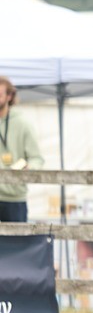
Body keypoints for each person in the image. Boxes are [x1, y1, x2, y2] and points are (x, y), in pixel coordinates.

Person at [0, 76, 44, 222]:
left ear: (9, 96)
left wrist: (29, 168)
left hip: (15, 199)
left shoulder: (23, 123)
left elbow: (36, 158)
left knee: (16, 244)